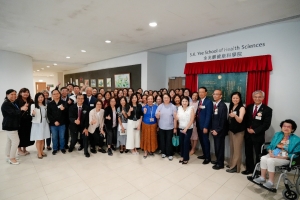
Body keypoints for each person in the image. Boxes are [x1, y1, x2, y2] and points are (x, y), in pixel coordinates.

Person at [253, 119, 300, 188]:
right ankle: (262, 178)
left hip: (285, 157)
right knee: (263, 158)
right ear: (281, 127)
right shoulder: (278, 135)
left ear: (292, 129)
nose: (286, 128)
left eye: (288, 127)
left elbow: (296, 154)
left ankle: (270, 182)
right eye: (284, 126)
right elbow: (270, 146)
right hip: (274, 153)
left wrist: (283, 157)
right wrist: (270, 152)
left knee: (270, 160)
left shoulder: (297, 140)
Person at [242, 90, 273, 175]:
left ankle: (258, 171)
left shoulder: (267, 110)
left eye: (259, 97)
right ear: (253, 98)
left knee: (259, 154)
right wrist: (248, 128)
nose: (257, 98)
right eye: (255, 97)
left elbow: (266, 124)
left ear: (263, 98)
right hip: (248, 134)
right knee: (248, 152)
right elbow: (247, 120)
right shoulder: (249, 107)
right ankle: (249, 169)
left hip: (258, 135)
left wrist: (255, 130)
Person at [2, 89, 25, 165]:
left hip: (12, 125)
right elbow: (12, 113)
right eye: (11, 94)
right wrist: (21, 109)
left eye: (15, 94)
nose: (14, 96)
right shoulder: (6, 104)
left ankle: (8, 156)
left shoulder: (12, 103)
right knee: (16, 142)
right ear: (7, 95)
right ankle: (12, 158)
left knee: (9, 141)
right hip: (10, 125)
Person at [227, 92, 246, 173]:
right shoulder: (232, 106)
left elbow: (240, 120)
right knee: (232, 148)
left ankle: (236, 167)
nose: (235, 99)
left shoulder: (242, 108)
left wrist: (235, 116)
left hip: (238, 131)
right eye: (233, 98)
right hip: (231, 130)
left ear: (240, 99)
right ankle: (232, 163)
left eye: (237, 98)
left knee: (237, 149)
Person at [155, 94, 177, 161]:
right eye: (164, 98)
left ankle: (170, 154)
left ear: (170, 98)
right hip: (162, 126)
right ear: (162, 99)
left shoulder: (173, 106)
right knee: (162, 140)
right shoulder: (160, 106)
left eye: (167, 98)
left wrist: (175, 128)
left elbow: (175, 118)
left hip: (170, 127)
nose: (166, 99)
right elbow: (157, 117)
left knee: (169, 141)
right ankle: (163, 152)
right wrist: (158, 115)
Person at [211, 89, 228, 170]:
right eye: (214, 94)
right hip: (215, 130)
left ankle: (220, 164)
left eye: (217, 94)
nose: (215, 95)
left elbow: (223, 120)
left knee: (220, 147)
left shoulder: (222, 106)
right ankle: (218, 160)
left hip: (219, 131)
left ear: (221, 96)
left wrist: (217, 130)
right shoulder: (216, 104)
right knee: (217, 147)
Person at [30, 93, 50, 159]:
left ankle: (41, 151)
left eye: (42, 97)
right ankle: (39, 153)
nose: (41, 99)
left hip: (44, 123)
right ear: (36, 98)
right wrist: (33, 113)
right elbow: (32, 114)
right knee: (39, 139)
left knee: (43, 139)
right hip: (37, 124)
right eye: (39, 97)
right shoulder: (33, 105)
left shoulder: (45, 105)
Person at [196, 87, 213, 164]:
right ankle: (204, 154)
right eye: (199, 92)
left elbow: (209, 115)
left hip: (204, 126)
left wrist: (206, 126)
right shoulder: (200, 101)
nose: (201, 94)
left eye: (202, 92)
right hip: (199, 125)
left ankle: (207, 158)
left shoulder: (208, 102)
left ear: (206, 93)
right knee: (202, 141)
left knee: (205, 141)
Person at [47, 89, 67, 155]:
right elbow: (49, 115)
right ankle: (55, 148)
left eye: (57, 94)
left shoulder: (64, 103)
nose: (56, 95)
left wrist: (64, 110)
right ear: (52, 95)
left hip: (62, 123)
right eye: (54, 94)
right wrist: (54, 121)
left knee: (62, 137)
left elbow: (66, 114)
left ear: (59, 94)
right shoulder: (50, 104)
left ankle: (62, 148)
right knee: (54, 137)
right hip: (53, 124)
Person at [15, 88, 34, 156]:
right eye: (24, 92)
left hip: (28, 121)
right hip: (20, 121)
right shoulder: (16, 101)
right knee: (20, 135)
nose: (26, 93)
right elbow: (15, 111)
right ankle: (19, 150)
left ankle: (24, 149)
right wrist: (22, 108)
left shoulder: (31, 101)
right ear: (20, 93)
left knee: (26, 135)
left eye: (27, 92)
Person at [176, 96, 194, 164]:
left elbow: (192, 119)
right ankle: (182, 156)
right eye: (183, 101)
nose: (184, 103)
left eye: (186, 101)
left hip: (188, 129)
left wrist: (186, 128)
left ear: (188, 102)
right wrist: (176, 117)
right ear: (181, 102)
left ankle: (186, 158)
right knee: (181, 142)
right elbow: (177, 117)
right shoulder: (179, 108)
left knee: (186, 142)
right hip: (181, 128)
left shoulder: (191, 108)